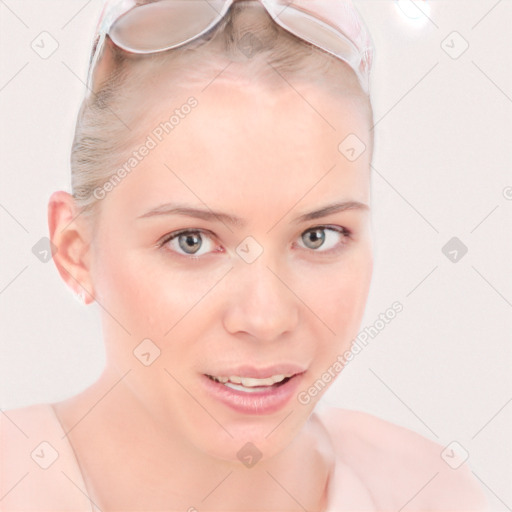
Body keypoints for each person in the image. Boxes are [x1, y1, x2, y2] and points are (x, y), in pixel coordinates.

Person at [0, 1, 488, 510]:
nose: (266, 318)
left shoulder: (430, 491)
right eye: (192, 241)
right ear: (74, 251)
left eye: (319, 236)